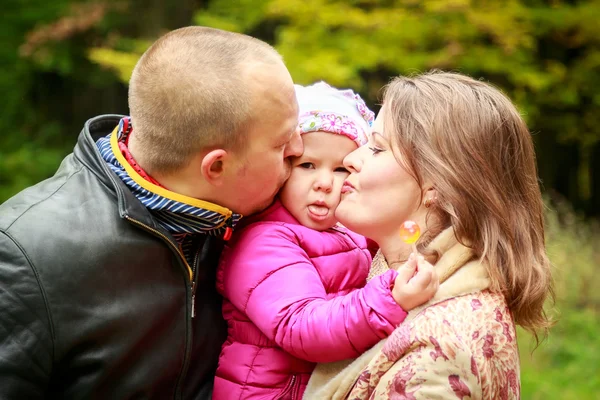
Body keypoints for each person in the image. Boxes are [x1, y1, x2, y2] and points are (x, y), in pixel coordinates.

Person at [0, 26, 303, 399]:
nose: (299, 149)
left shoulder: (270, 217)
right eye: (282, 142)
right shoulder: (23, 254)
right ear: (216, 167)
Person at [304, 71, 555, 399]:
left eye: (377, 148)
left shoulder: (438, 354)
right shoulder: (403, 280)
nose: (350, 160)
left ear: (435, 185)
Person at [213, 82, 438, 399]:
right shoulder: (265, 240)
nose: (324, 184)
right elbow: (301, 327)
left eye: (340, 169)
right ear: (284, 167)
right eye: (308, 165)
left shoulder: (350, 230)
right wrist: (390, 297)